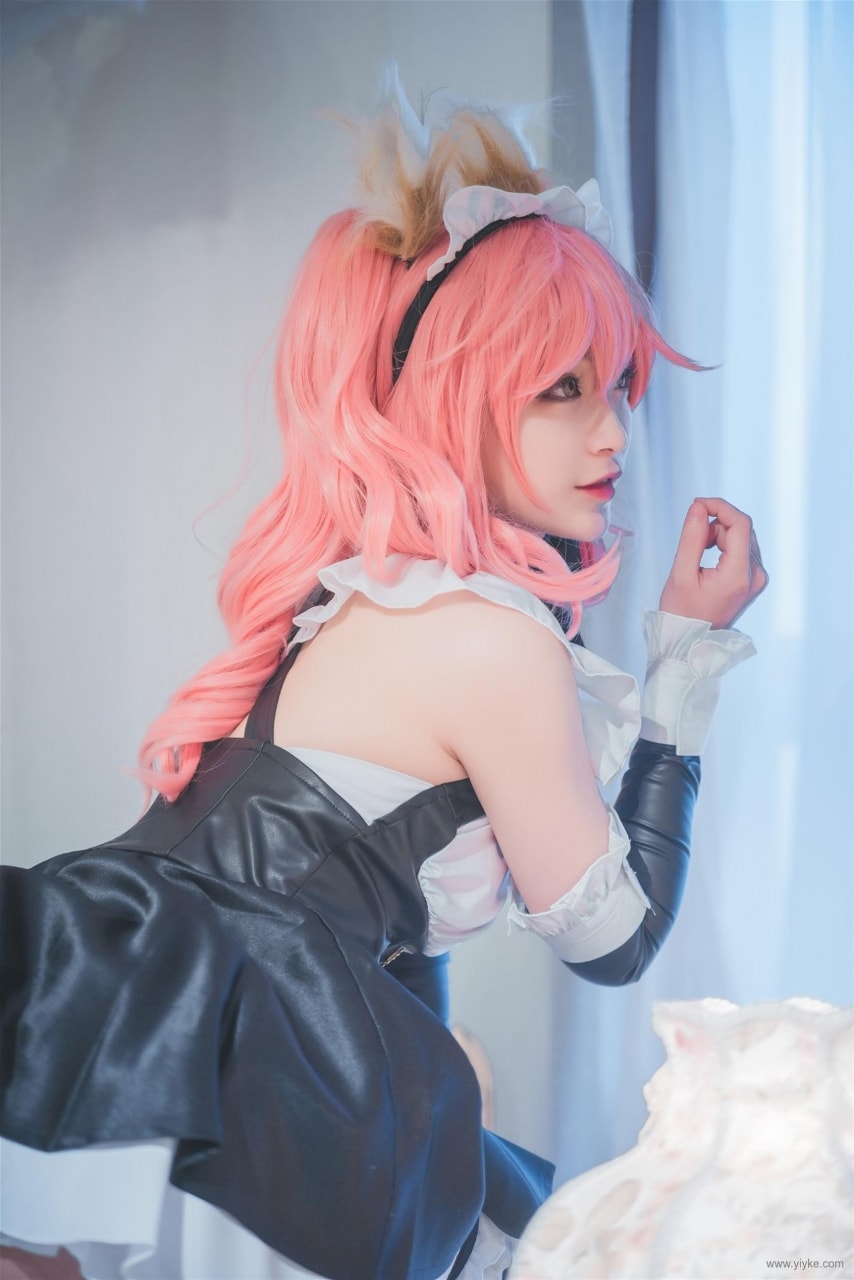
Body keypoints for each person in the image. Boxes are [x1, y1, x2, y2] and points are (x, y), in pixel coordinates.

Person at [0, 80, 766, 1280]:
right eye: (560, 387)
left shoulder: (357, 600)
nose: (613, 432)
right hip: (244, 1074)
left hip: (113, 1014)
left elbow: (349, 914)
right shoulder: (490, 637)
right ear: (454, 395)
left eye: (618, 382)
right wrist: (684, 664)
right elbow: (615, 941)